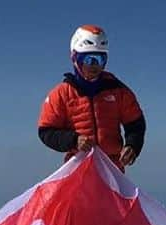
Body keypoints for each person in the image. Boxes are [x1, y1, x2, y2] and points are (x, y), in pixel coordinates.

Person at [37, 25, 146, 171]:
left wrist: (132, 145)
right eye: (89, 59)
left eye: (100, 59)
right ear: (75, 58)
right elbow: (46, 131)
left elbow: (136, 124)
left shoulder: (118, 91)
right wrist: (74, 140)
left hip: (112, 169)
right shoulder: (62, 94)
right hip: (78, 170)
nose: (95, 65)